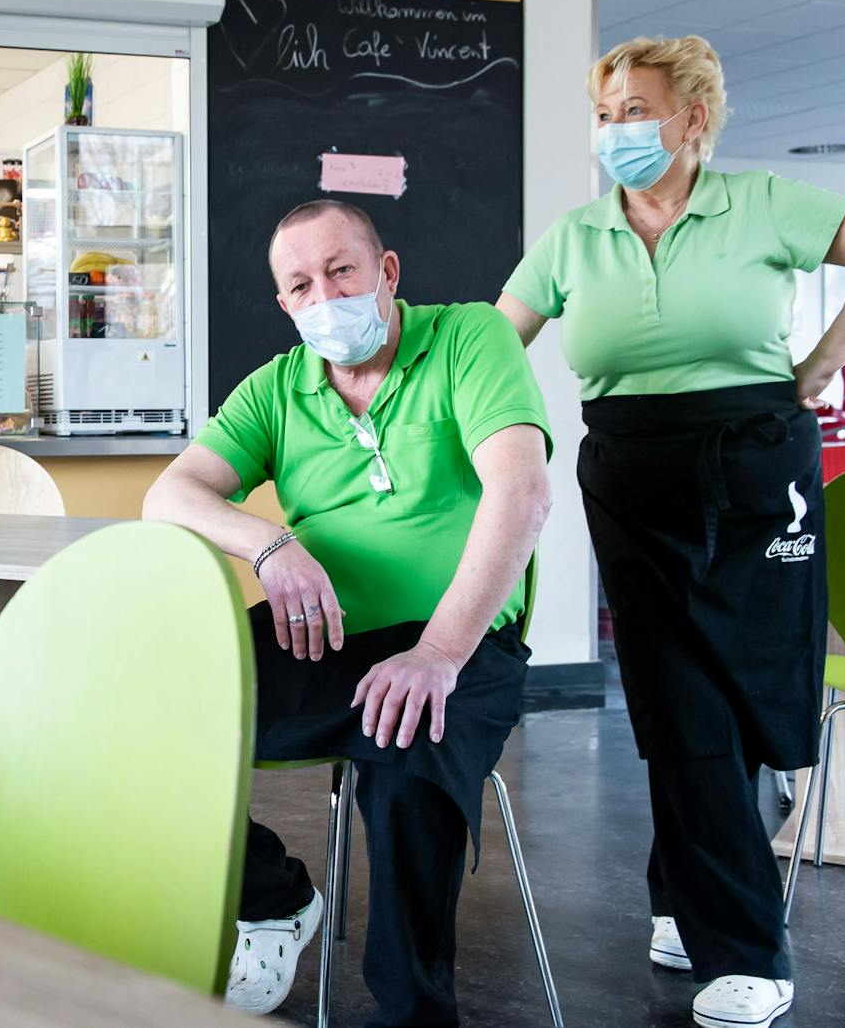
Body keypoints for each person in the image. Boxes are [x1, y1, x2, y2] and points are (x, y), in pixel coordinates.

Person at [496, 35, 845, 1028]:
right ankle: (745, 949)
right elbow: (492, 340)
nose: (615, 131)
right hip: (632, 470)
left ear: (691, 119)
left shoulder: (762, 203)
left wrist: (824, 361)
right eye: (604, 113)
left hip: (757, 465)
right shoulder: (573, 237)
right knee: (676, 691)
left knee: (746, 687)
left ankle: (682, 889)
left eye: (635, 110)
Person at [144, 199, 553, 1025]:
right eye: (302, 285)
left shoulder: (470, 337)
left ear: (386, 272)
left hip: (461, 641)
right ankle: (274, 899)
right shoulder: (276, 389)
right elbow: (171, 495)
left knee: (407, 759)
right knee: (147, 714)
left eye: (341, 271)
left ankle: (412, 1015)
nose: (325, 296)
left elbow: (521, 491)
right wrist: (269, 545)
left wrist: (437, 653)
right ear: (285, 303)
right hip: (320, 640)